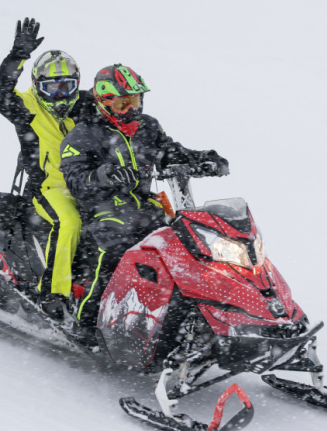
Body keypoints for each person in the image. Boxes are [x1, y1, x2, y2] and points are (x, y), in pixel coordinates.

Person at [60, 64, 229, 329]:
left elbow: (170, 153)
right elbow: (76, 181)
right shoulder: (82, 134)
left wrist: (203, 159)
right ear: (104, 102)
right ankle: (85, 320)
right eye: (123, 103)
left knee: (187, 243)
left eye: (135, 101)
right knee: (114, 252)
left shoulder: (147, 127)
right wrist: (105, 175)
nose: (131, 110)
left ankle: (184, 312)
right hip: (101, 210)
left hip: (143, 206)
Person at [0, 17, 94, 317]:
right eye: (52, 88)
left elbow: (118, 117)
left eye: (67, 87)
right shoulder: (26, 107)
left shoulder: (87, 105)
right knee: (69, 223)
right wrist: (17, 56)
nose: (60, 95)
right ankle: (55, 294)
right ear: (37, 87)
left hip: (89, 183)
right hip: (49, 187)